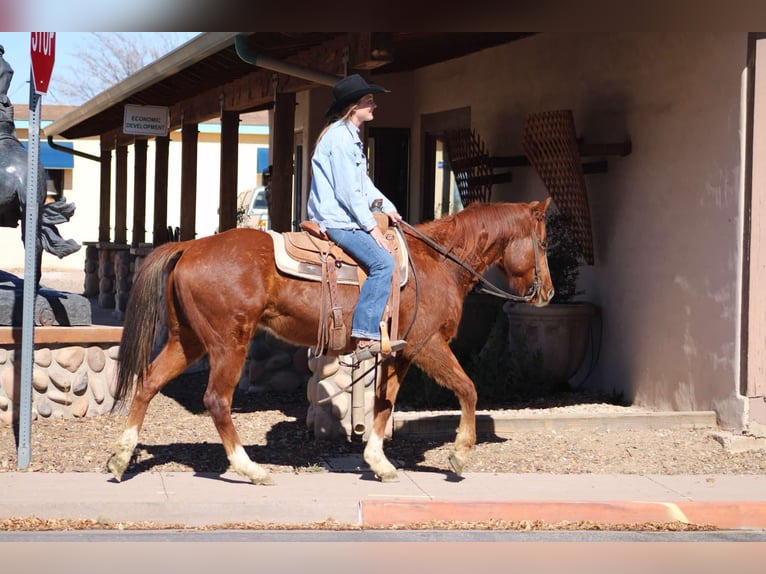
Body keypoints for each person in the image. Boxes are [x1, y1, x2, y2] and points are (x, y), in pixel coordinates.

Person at [307, 74, 406, 361]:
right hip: (339, 220)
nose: (374, 105)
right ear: (354, 107)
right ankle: (364, 333)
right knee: (383, 262)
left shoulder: (350, 137)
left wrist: (386, 206)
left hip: (347, 217)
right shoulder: (340, 139)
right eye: (369, 100)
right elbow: (349, 193)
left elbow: (363, 185)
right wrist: (372, 228)